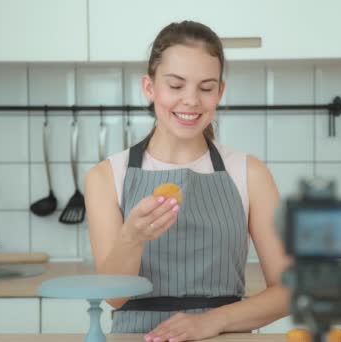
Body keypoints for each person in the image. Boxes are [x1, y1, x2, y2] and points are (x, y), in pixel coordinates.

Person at [84, 20, 291, 342]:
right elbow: (114, 297)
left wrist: (212, 321)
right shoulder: (107, 176)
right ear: (149, 87)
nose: (191, 100)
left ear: (219, 92)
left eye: (206, 88)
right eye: (176, 86)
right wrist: (132, 238)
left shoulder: (250, 172)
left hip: (226, 336)